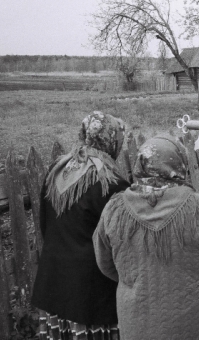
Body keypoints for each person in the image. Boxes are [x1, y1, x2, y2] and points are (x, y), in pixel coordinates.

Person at [93, 135, 199, 340]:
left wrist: (139, 278)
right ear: (179, 165)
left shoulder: (114, 211)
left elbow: (105, 263)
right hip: (196, 327)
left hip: (139, 326)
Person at [32, 111, 130, 340]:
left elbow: (46, 225)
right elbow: (121, 243)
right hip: (90, 292)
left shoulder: (58, 168)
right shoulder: (111, 183)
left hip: (54, 282)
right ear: (111, 139)